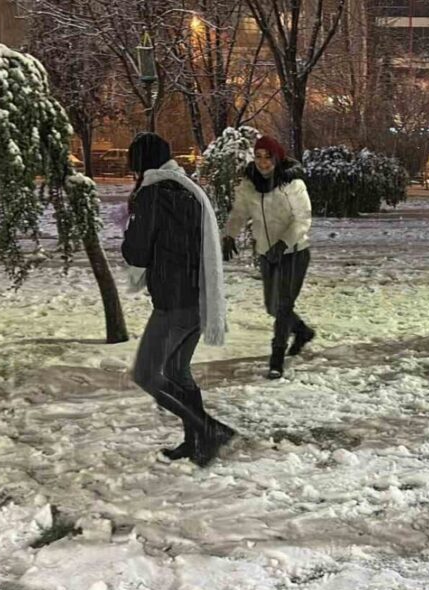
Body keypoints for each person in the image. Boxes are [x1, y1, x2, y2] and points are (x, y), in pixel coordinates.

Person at [122, 132, 235, 467]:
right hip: (200, 297)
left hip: (174, 301)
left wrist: (128, 232)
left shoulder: (153, 195)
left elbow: (138, 251)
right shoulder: (187, 189)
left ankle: (208, 429)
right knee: (176, 369)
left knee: (145, 374)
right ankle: (195, 441)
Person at [221, 135, 315, 380]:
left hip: (294, 252)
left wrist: (284, 243)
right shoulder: (249, 184)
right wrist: (229, 235)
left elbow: (302, 219)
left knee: (283, 306)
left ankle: (276, 359)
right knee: (272, 306)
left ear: (277, 158)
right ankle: (302, 331)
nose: (263, 162)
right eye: (259, 156)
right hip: (266, 252)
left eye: (268, 157)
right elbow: (240, 212)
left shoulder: (292, 184)